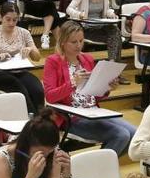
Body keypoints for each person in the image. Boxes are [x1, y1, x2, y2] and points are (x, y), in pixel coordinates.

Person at [44, 21, 136, 154]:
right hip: (71, 116)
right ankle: (101, 168)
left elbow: (94, 95)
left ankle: (104, 162)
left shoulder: (87, 59)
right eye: (73, 42)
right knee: (121, 135)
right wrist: (73, 83)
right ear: (63, 42)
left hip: (92, 111)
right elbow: (50, 96)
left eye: (81, 41)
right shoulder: (53, 61)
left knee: (134, 134)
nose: (79, 45)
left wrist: (107, 88)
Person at [0, 2, 44, 111]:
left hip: (18, 71)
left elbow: (37, 57)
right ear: (0, 17)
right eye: (8, 19)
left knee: (37, 88)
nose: (11, 23)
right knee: (18, 88)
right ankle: (31, 119)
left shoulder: (24, 33)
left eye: (15, 20)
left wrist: (31, 50)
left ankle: (41, 118)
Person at [67, 0, 125, 70]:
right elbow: (69, 9)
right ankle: (113, 69)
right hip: (85, 28)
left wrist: (111, 13)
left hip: (100, 25)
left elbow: (107, 9)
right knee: (116, 37)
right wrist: (79, 14)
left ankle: (112, 65)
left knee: (115, 32)